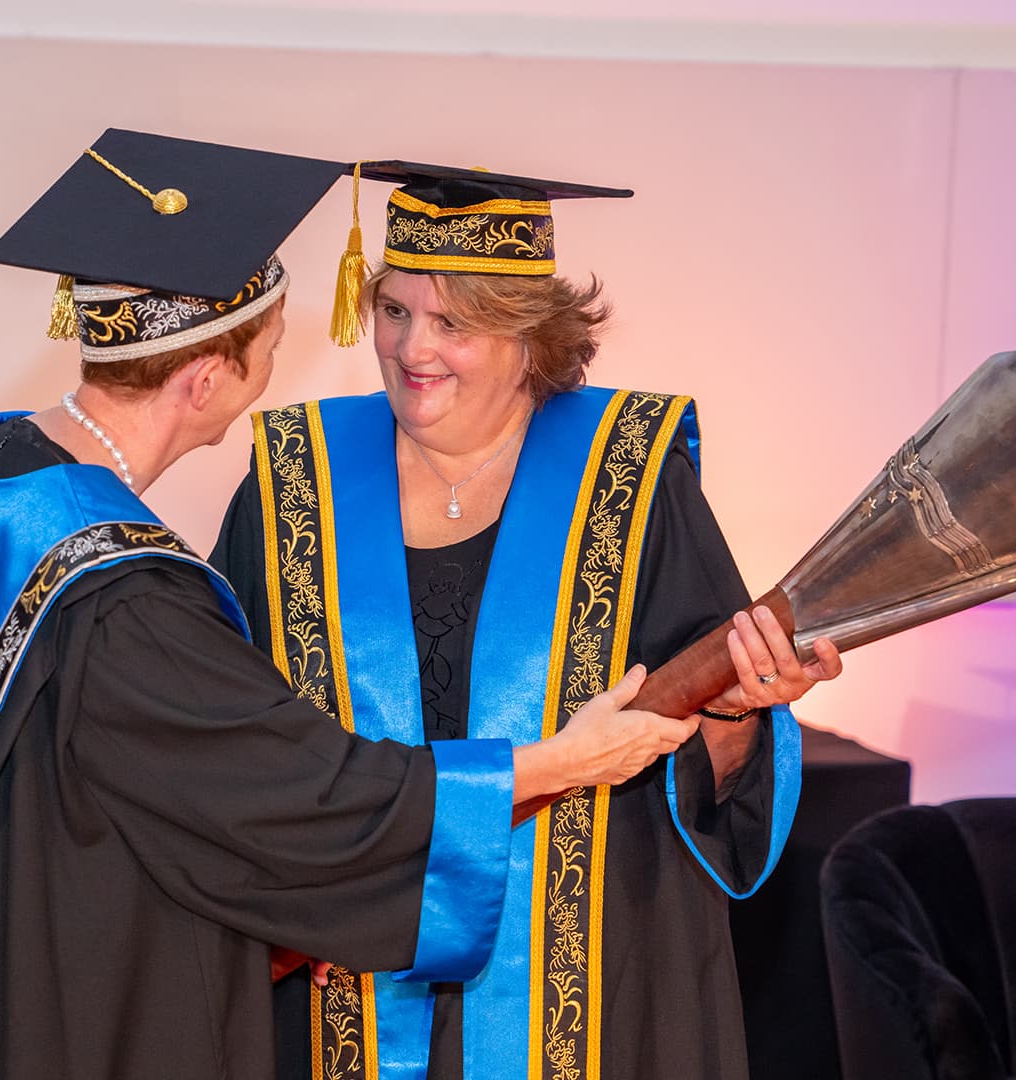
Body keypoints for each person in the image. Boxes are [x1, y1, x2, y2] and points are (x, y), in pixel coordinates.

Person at [0, 132, 697, 1080]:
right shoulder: (124, 596)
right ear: (202, 379)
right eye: (271, 344)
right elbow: (308, 791)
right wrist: (565, 760)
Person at [211, 161, 846, 1079]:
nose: (410, 348)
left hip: (584, 979)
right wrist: (280, 902)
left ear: (529, 336)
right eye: (394, 311)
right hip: (339, 979)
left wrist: (741, 710)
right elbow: (233, 747)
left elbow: (701, 762)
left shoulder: (628, 476)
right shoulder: (291, 482)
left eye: (453, 323)